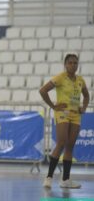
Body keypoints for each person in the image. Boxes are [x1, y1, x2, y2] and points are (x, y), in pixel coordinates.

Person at [40, 54, 89, 189]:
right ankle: (49, 177)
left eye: (75, 63)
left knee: (70, 146)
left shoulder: (80, 80)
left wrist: (83, 107)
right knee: (61, 142)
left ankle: (65, 180)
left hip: (75, 115)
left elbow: (86, 96)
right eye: (70, 63)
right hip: (62, 113)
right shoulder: (60, 78)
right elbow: (43, 90)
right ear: (65, 64)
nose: (73, 65)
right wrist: (53, 106)